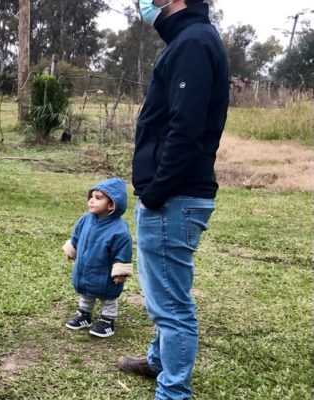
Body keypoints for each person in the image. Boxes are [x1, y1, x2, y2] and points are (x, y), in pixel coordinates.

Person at [118, 0, 229, 399]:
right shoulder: (188, 39)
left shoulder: (193, 42)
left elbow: (186, 128)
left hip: (174, 197)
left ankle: (173, 391)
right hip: (176, 195)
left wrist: (155, 192)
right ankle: (158, 361)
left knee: (173, 306)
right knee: (165, 291)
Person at [62, 178, 133, 338]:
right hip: (85, 267)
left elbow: (123, 251)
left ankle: (107, 320)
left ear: (111, 205)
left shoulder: (119, 230)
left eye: (98, 198)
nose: (92, 201)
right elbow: (76, 237)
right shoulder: (85, 219)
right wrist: (72, 251)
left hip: (105, 272)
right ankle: (84, 315)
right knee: (86, 292)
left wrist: (120, 271)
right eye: (91, 196)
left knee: (107, 296)